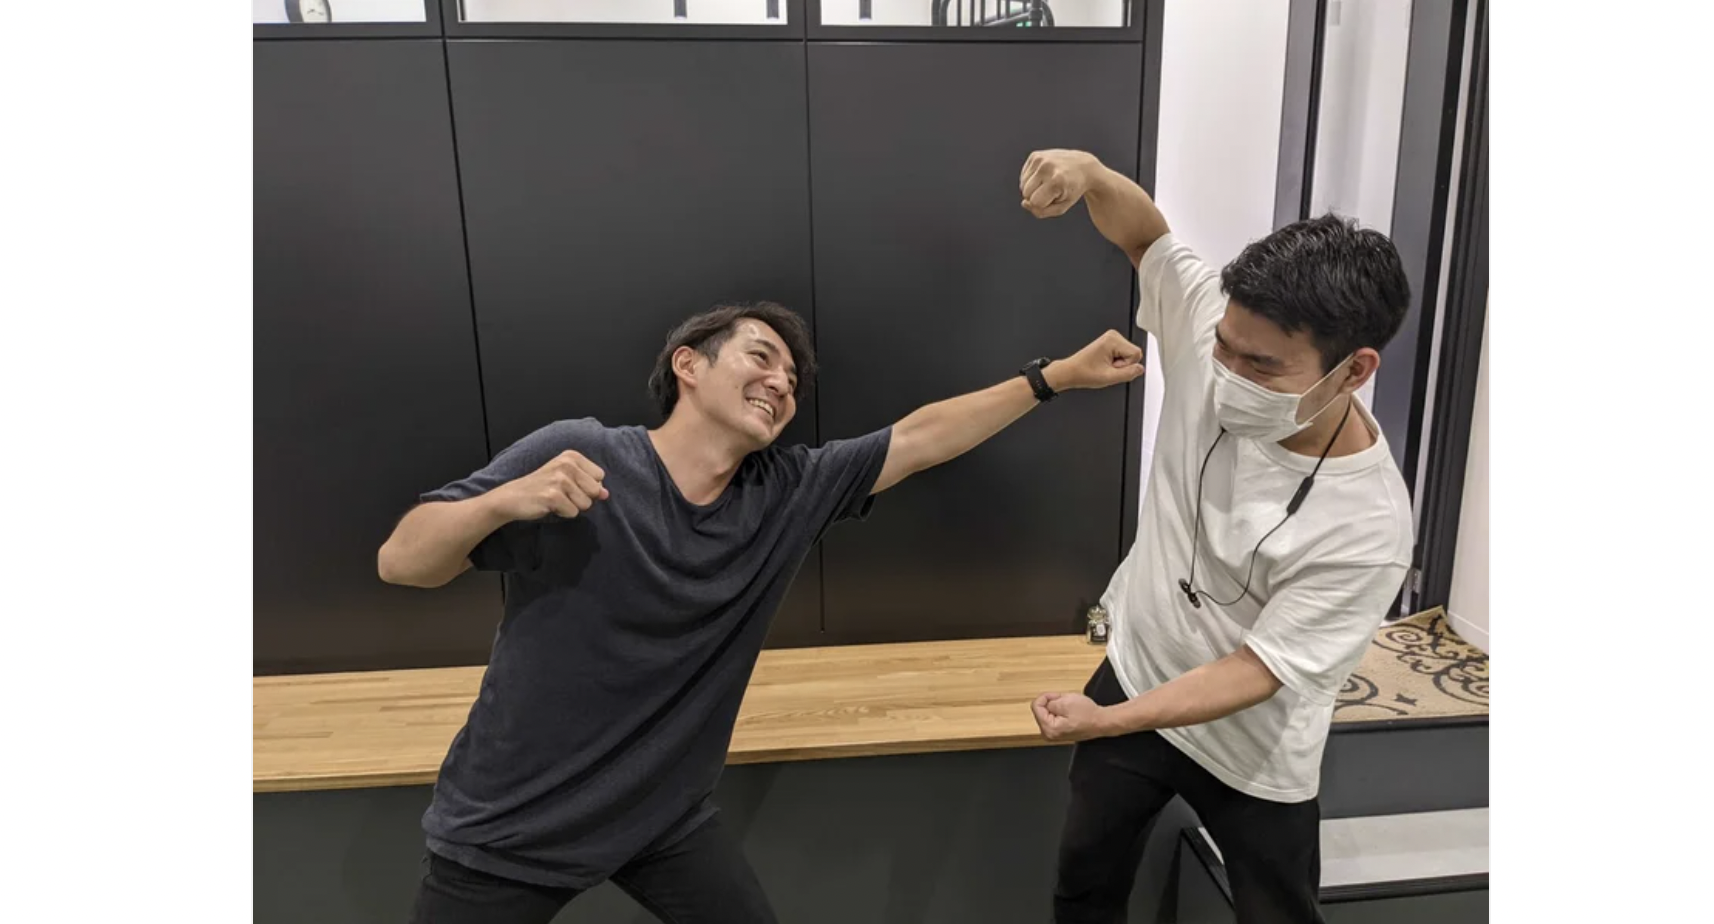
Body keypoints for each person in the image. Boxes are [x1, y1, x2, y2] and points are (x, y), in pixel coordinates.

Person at [376, 300, 1145, 924]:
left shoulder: (785, 491)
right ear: (688, 365)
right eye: (761, 357)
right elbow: (403, 562)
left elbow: (919, 438)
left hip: (658, 815)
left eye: (793, 379)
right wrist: (501, 502)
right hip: (512, 821)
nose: (781, 382)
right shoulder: (581, 452)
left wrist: (1055, 378)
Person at [1017, 149, 1415, 923]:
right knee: (1085, 883)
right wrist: (1092, 173)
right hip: (1139, 667)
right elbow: (1146, 238)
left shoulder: (1369, 525)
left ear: (1353, 370)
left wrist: (1107, 721)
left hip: (1253, 747)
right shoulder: (1215, 326)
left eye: (1261, 366)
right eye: (1224, 348)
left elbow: (1255, 670)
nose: (1226, 372)